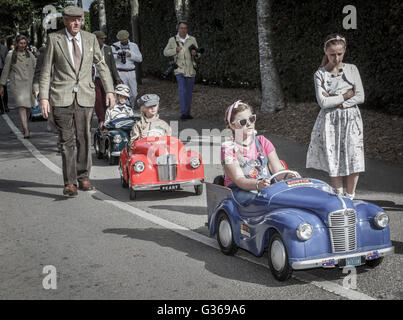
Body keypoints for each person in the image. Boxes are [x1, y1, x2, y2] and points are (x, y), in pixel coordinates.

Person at [39, 5, 115, 197]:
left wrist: (110, 90)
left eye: (79, 19)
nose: (76, 23)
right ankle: (70, 182)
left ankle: (83, 177)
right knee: (67, 141)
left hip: (85, 96)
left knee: (84, 138)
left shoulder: (90, 39)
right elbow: (46, 70)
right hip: (61, 96)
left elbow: (101, 65)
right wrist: (44, 98)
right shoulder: (54, 39)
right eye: (72, 19)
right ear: (64, 20)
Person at [306, 34, 365, 200]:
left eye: (339, 53)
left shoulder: (352, 69)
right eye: (332, 54)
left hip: (351, 119)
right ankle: (339, 196)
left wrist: (337, 101)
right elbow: (323, 102)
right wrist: (345, 96)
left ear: (344, 51)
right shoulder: (320, 74)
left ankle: (350, 195)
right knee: (334, 156)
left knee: (353, 154)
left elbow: (360, 96)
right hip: (330, 121)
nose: (336, 58)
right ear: (325, 51)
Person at [221, 100, 299, 205]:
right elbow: (239, 179)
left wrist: (289, 176)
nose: (249, 123)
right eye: (243, 122)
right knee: (261, 202)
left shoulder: (263, 142)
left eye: (251, 119)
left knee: (289, 199)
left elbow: (278, 170)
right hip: (240, 190)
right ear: (233, 126)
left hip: (265, 188)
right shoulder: (228, 149)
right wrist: (258, 184)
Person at [163, 21, 201, 120]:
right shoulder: (172, 40)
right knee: (182, 90)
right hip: (179, 69)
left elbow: (198, 53)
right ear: (178, 29)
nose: (183, 30)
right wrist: (175, 50)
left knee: (188, 92)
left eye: (185, 28)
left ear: (187, 29)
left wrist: (195, 54)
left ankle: (187, 113)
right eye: (181, 28)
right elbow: (165, 52)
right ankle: (184, 113)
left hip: (191, 69)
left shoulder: (192, 39)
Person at [0, 35, 36, 138]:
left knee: (28, 107)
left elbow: (36, 66)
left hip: (29, 84)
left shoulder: (30, 55)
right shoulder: (11, 55)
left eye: (24, 43)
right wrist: (2, 85)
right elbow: (5, 70)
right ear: (16, 44)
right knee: (21, 107)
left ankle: (25, 125)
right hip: (17, 85)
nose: (23, 45)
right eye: (21, 43)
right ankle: (26, 129)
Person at [93, 30, 122, 128]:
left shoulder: (108, 48)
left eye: (104, 38)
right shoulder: (89, 48)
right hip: (94, 78)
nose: (103, 40)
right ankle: (101, 119)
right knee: (98, 100)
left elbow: (112, 64)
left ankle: (108, 117)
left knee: (108, 98)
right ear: (95, 39)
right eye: (101, 38)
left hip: (107, 78)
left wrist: (116, 77)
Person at [111, 30, 142, 108]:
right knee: (122, 92)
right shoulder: (114, 46)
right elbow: (110, 58)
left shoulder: (133, 46)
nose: (123, 41)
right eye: (121, 40)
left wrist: (130, 55)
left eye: (124, 39)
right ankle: (126, 108)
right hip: (120, 71)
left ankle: (131, 105)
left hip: (131, 72)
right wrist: (116, 56)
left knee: (134, 93)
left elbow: (140, 59)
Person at [0, 40, 9, 113]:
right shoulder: (4, 48)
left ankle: (5, 106)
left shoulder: (4, 48)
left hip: (2, 70)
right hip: (2, 69)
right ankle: (3, 107)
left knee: (4, 88)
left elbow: (7, 60)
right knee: (4, 88)